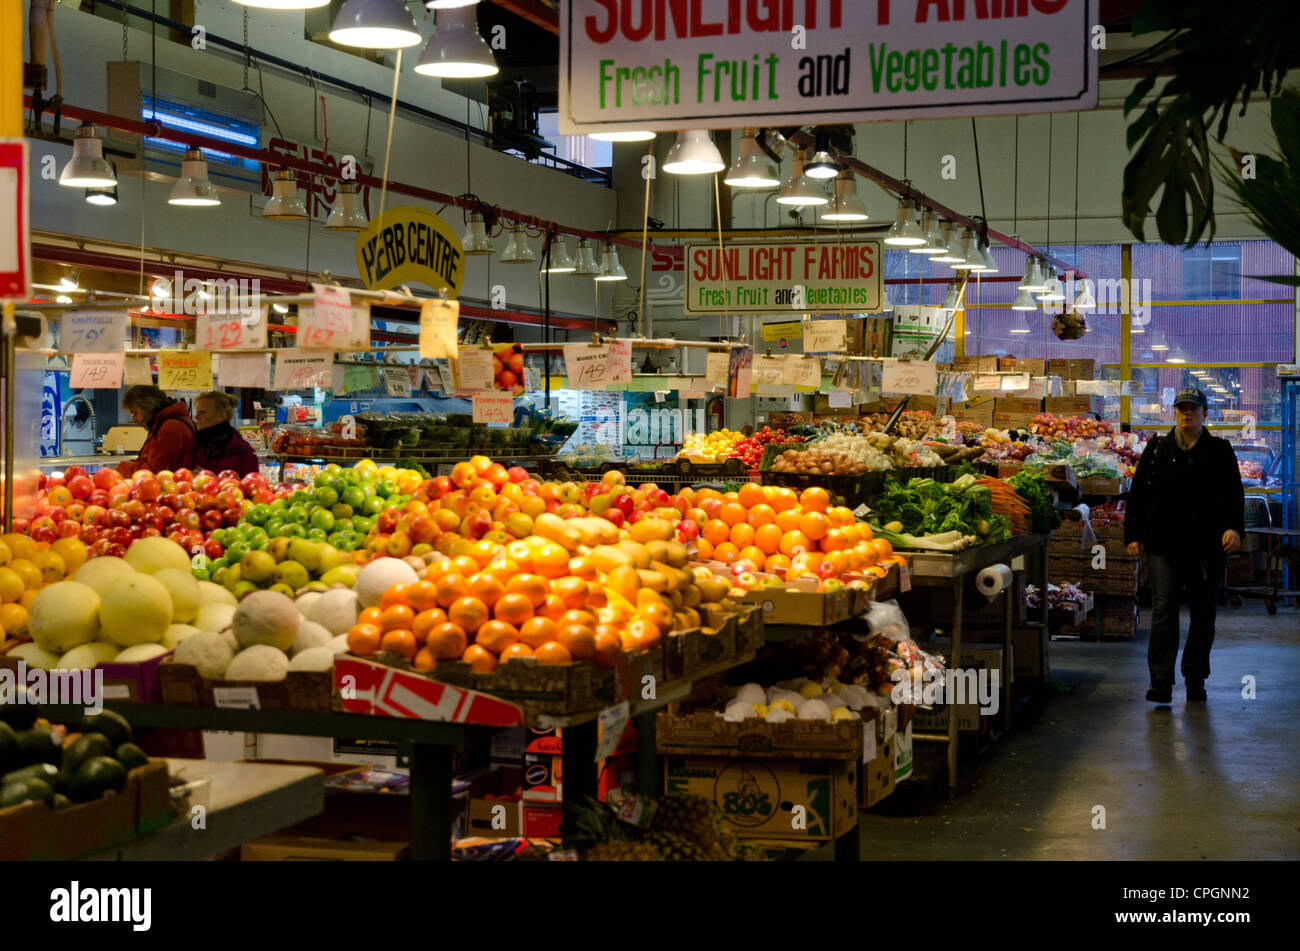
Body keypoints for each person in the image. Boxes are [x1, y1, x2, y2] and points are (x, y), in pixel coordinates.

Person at [1125, 387, 1244, 704]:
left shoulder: (1219, 450)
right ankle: (1161, 680)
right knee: (1163, 609)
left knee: (1203, 613)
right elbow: (1138, 495)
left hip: (1207, 547)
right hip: (1164, 543)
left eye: (1193, 408)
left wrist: (1234, 527)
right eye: (1181, 408)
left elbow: (1234, 494)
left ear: (1205, 414)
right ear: (1174, 413)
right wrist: (1133, 534)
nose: (1186, 413)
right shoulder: (1157, 449)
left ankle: (1195, 678)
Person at [117, 385, 196, 477]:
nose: (134, 420)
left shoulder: (171, 427)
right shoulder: (162, 424)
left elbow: (153, 472)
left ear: (147, 407)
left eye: (135, 413)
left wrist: (121, 468)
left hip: (170, 488)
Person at [192, 390, 260, 477]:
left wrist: (215, 480)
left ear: (221, 415)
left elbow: (252, 485)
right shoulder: (191, 444)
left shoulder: (243, 452)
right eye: (196, 413)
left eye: (202, 412)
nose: (196, 417)